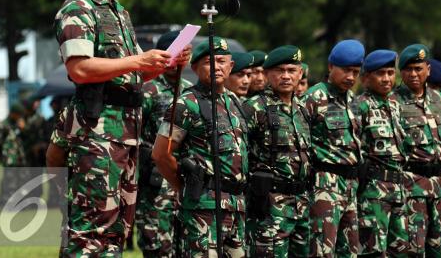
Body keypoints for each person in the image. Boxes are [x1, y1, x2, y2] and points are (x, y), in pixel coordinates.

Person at [45, 0, 191, 256]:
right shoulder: (79, 7)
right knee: (90, 233)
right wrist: (138, 59)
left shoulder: (118, 12)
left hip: (125, 134)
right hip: (96, 133)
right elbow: (79, 68)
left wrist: (167, 63)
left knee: (116, 233)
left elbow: (137, 72)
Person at [153, 37, 248, 257]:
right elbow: (160, 154)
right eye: (208, 62)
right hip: (203, 206)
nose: (217, 67)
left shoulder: (234, 103)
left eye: (222, 61)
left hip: (236, 206)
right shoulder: (186, 104)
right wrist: (183, 186)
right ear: (194, 68)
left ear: (231, 66)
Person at [243, 45, 312, 257]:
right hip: (270, 206)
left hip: (301, 204)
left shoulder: (302, 109)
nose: (285, 76)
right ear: (266, 74)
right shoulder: (254, 108)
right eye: (279, 71)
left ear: (300, 74)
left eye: (291, 71)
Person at [303, 39, 365, 258]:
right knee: (322, 250)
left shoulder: (353, 100)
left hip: (350, 187)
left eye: (355, 72)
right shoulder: (313, 98)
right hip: (324, 185)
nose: (350, 77)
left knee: (349, 250)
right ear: (331, 67)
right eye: (345, 70)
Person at [135, 31, 193, 258]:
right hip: (155, 183)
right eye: (171, 55)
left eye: (181, 54)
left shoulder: (190, 90)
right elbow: (134, 133)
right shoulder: (148, 90)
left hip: (183, 177)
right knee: (156, 243)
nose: (176, 60)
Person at [395, 44, 441, 257]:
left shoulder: (440, 101)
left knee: (440, 248)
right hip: (411, 187)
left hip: (438, 186)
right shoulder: (393, 101)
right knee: (413, 248)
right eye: (408, 69)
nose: (414, 74)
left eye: (418, 68)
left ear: (428, 69)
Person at [355, 49, 408, 257]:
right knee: (373, 251)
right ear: (366, 78)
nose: (387, 79)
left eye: (390, 73)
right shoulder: (360, 106)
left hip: (398, 191)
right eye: (380, 74)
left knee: (401, 250)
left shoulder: (394, 105)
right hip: (373, 193)